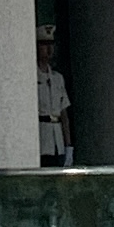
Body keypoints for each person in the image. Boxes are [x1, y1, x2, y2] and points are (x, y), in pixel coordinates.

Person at [35, 29, 72, 168]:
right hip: (42, 138)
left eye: (51, 44)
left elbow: (64, 114)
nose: (49, 49)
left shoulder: (57, 78)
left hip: (57, 140)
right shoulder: (32, 76)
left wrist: (68, 146)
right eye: (44, 44)